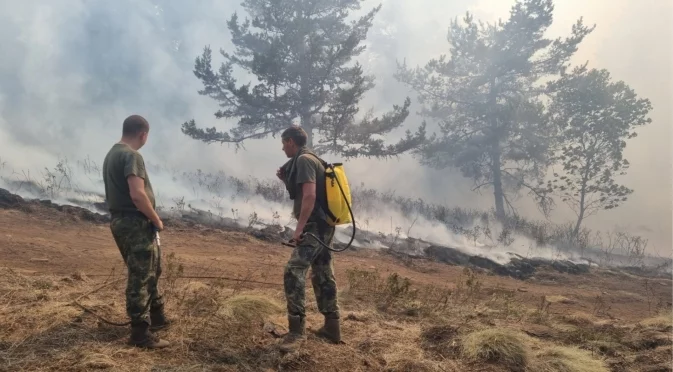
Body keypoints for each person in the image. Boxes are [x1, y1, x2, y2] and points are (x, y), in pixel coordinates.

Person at [102, 114, 170, 349]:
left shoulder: (112, 154)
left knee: (151, 269)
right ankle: (140, 333)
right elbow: (137, 194)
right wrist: (156, 218)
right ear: (143, 134)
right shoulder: (132, 156)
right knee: (141, 276)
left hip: (121, 221)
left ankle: (159, 318)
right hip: (135, 222)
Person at [276, 125, 341, 352]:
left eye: (284, 143)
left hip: (314, 226)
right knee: (323, 271)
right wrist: (286, 180)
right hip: (325, 226)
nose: (282, 148)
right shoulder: (312, 158)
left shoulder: (303, 161)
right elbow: (302, 192)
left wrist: (298, 229)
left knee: (293, 271)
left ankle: (296, 332)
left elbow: (310, 195)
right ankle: (332, 326)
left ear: (291, 142)